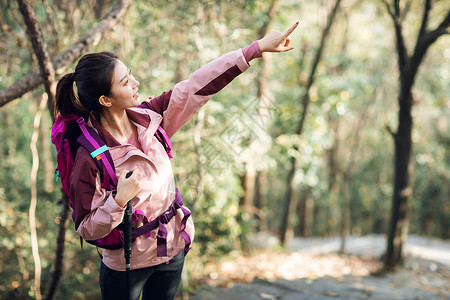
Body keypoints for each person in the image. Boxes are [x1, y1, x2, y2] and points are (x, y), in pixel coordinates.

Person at [55, 22, 299, 300]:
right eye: (125, 82)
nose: (135, 83)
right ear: (105, 100)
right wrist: (118, 202)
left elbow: (197, 85)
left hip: (171, 251)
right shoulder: (90, 155)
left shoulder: (153, 118)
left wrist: (254, 50)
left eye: (130, 75)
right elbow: (86, 226)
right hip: (126, 266)